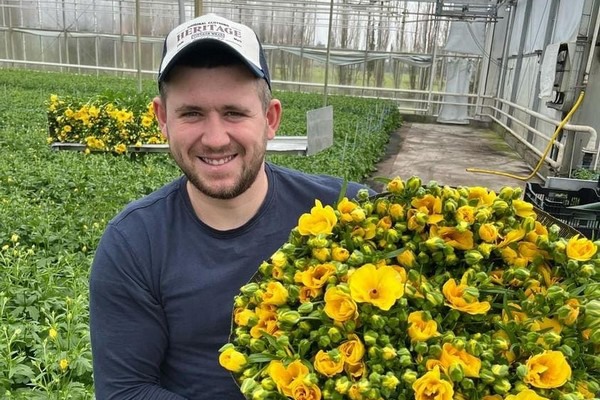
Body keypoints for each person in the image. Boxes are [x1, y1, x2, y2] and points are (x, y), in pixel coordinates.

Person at [89, 13, 374, 400]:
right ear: (162, 119)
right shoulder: (135, 243)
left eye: (234, 113)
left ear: (270, 119)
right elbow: (125, 392)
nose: (215, 138)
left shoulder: (346, 214)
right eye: (191, 113)